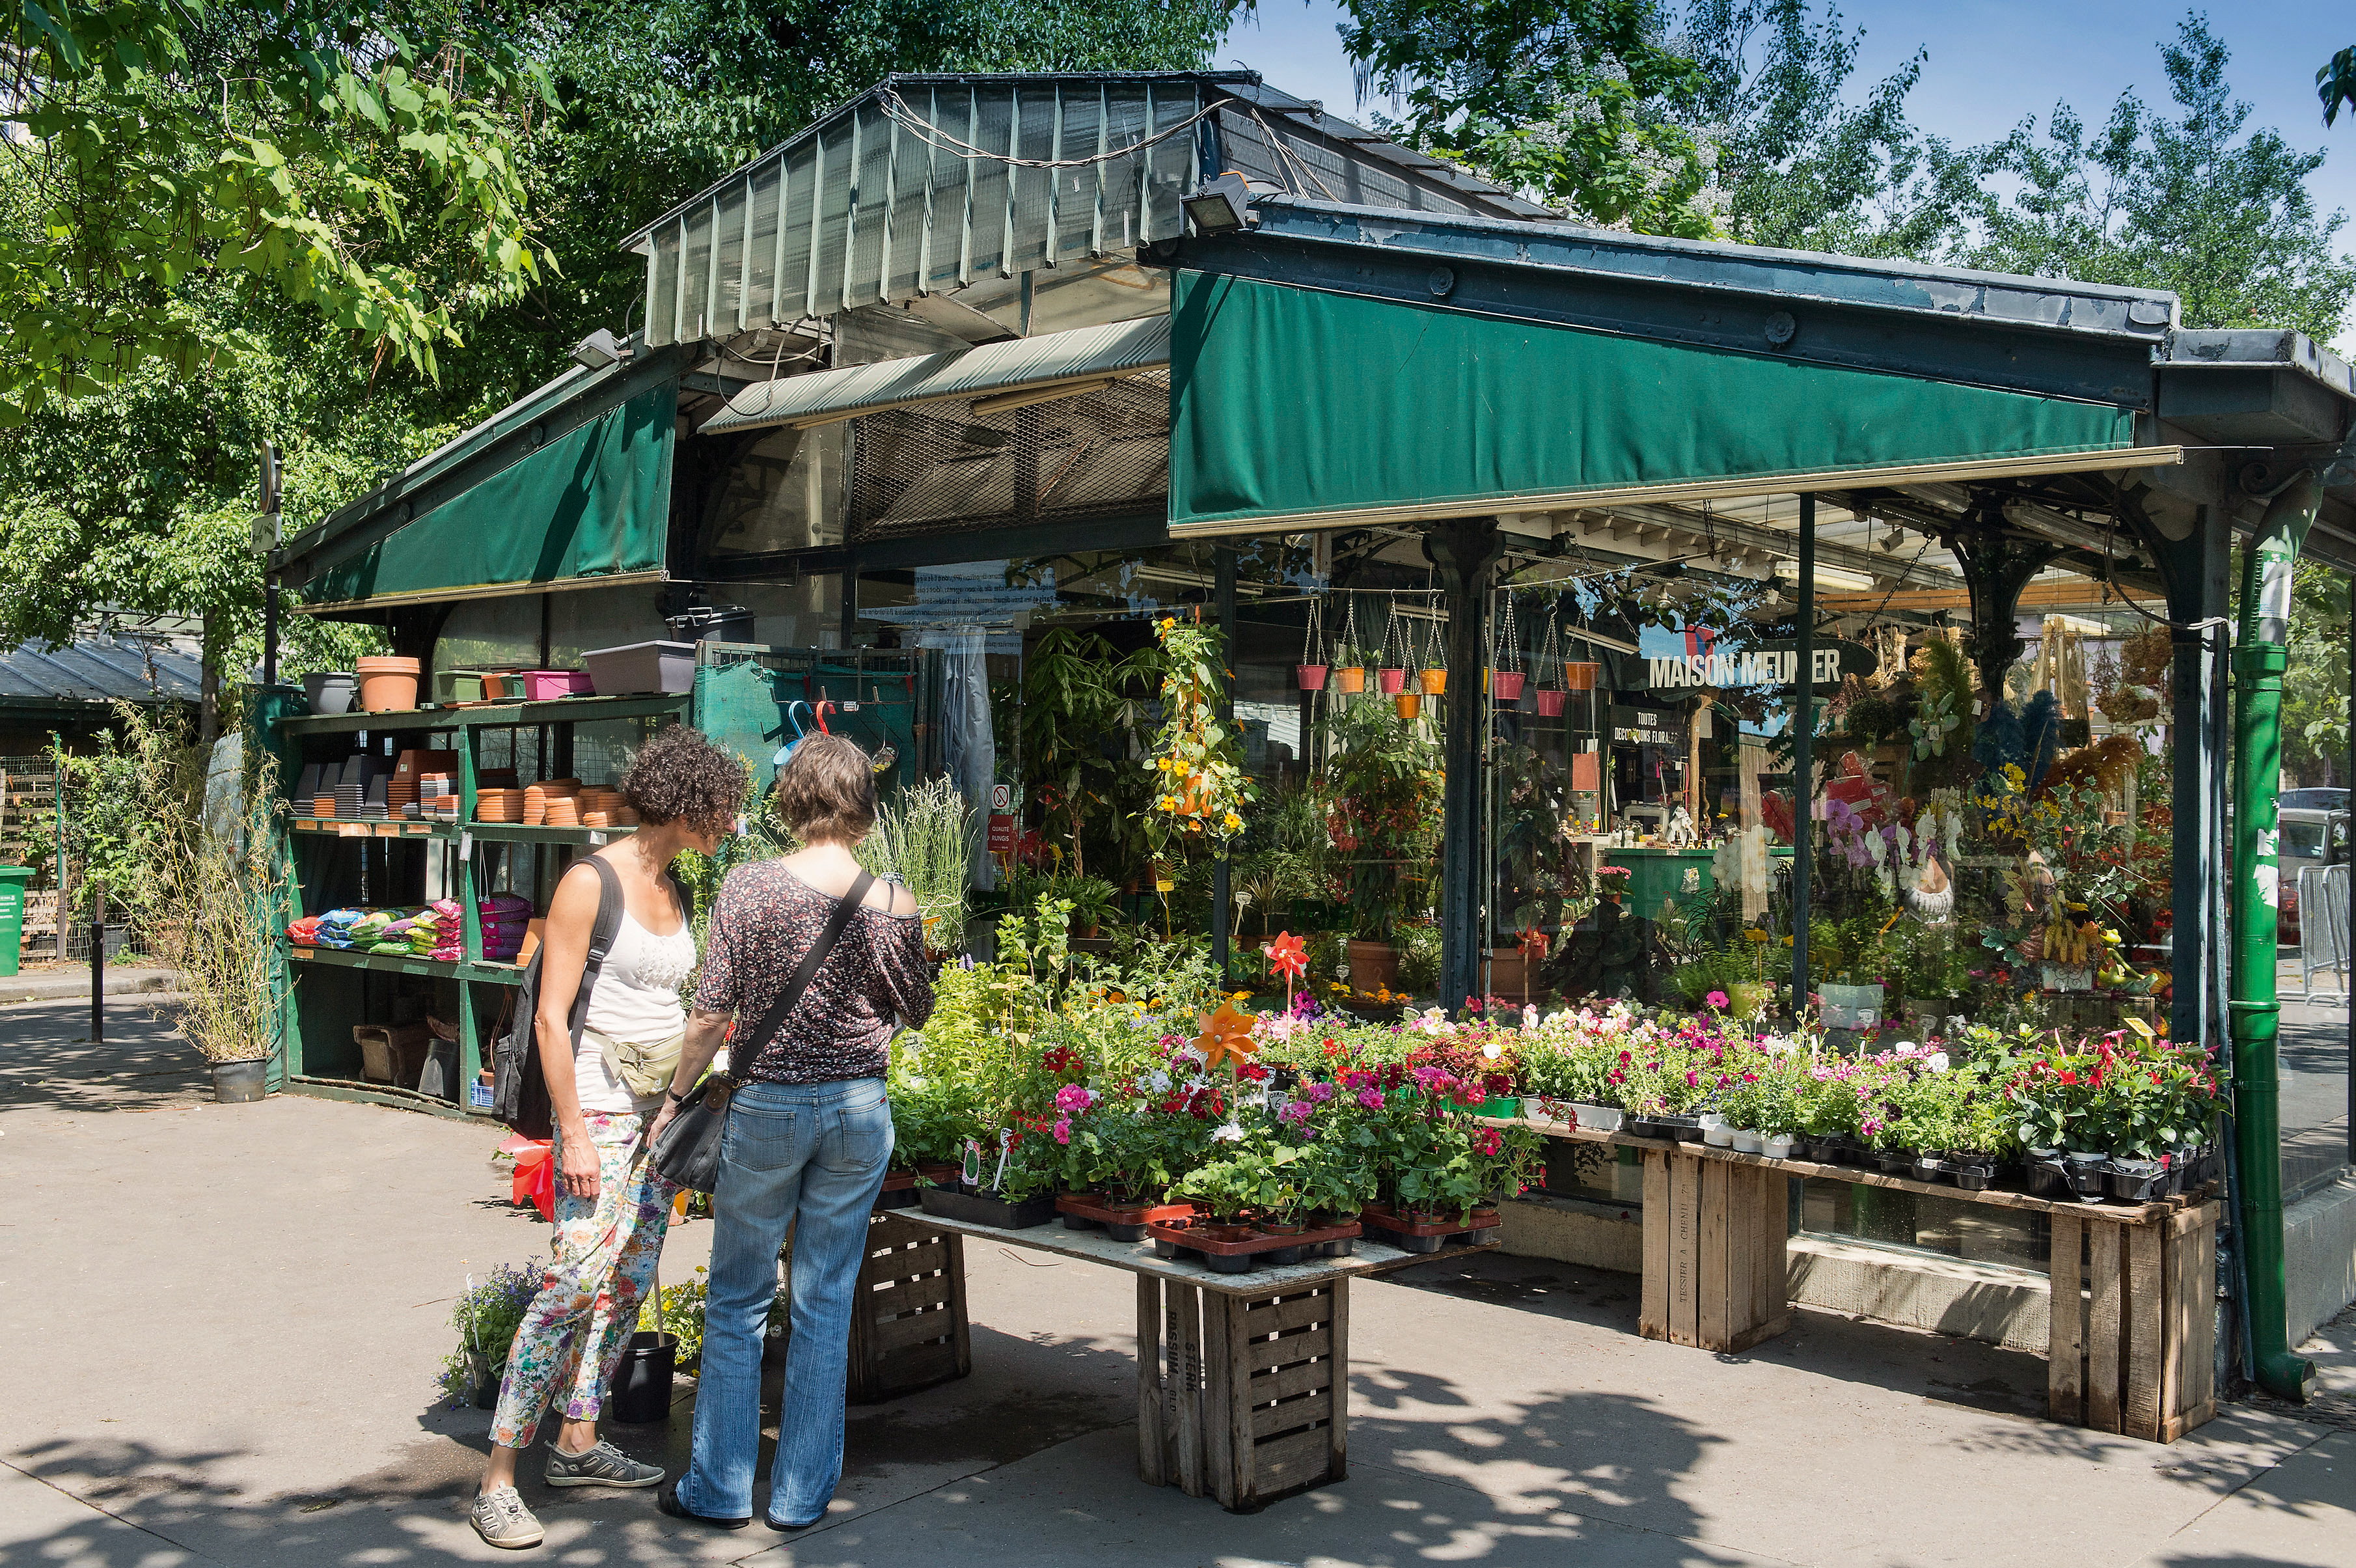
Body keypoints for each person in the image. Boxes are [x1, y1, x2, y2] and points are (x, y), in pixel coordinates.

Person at [471, 726, 747, 1551]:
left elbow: (671, 1012)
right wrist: (573, 1136)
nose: (732, 824)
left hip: (660, 1116)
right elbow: (552, 1020)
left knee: (627, 1282)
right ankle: (495, 1481)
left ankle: (578, 1442)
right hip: (593, 1110)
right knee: (569, 1284)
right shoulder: (590, 882)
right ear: (688, 803)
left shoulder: (677, 887)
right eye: (724, 809)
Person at [651, 733, 934, 1533]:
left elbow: (711, 1013)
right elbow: (919, 1006)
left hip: (768, 1110)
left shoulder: (746, 888)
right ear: (862, 808)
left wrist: (677, 1098)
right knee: (824, 1300)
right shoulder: (892, 900)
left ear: (792, 802)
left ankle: (719, 1489)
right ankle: (801, 1497)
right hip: (855, 1111)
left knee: (738, 1300)